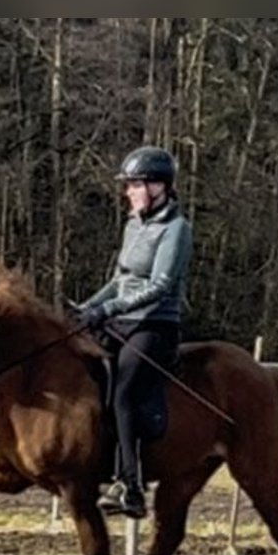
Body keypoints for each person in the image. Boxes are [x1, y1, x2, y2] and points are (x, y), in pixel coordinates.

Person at [76, 145, 193, 519]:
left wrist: (109, 309)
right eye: (128, 185)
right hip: (122, 318)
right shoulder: (133, 224)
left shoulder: (176, 229)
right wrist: (87, 308)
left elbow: (159, 285)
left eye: (134, 185)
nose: (128, 192)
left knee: (124, 392)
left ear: (158, 187)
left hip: (155, 324)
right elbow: (119, 280)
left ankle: (131, 485)